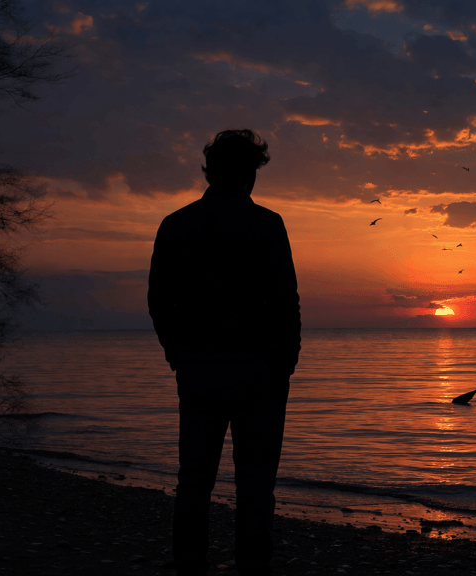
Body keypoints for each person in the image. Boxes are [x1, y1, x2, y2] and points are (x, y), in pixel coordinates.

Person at [148, 129, 301, 576]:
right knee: (255, 481)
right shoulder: (266, 224)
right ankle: (252, 563)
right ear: (249, 173)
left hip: (200, 368)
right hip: (258, 370)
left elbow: (160, 301)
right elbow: (284, 299)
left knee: (194, 476)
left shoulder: (176, 224)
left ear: (211, 171)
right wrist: (284, 362)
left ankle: (189, 560)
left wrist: (179, 353)